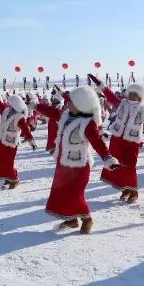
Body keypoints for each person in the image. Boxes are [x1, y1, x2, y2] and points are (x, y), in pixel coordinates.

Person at [45, 86, 120, 234]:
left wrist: (108, 157)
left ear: (81, 105)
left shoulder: (87, 123)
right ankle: (72, 219)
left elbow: (98, 142)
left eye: (72, 102)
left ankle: (87, 219)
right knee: (62, 192)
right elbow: (53, 112)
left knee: (75, 194)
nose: (68, 104)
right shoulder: (67, 115)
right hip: (63, 163)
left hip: (79, 165)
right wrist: (35, 106)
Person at [89, 74, 144, 203]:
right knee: (117, 166)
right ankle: (125, 189)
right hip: (117, 140)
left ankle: (133, 191)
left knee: (130, 167)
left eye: (135, 94)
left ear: (140, 97)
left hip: (132, 142)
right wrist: (98, 82)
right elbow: (108, 93)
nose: (132, 96)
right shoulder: (121, 103)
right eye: (131, 93)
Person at [0, 94, 36, 189]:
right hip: (2, 140)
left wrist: (31, 141)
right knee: (0, 160)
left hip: (11, 142)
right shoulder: (6, 111)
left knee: (9, 162)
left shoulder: (20, 117)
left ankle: (14, 179)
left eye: (11, 103)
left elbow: (25, 129)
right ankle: (7, 179)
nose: (9, 105)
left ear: (16, 104)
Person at [36, 86, 67, 153]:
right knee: (51, 135)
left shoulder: (59, 106)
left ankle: (56, 148)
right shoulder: (53, 105)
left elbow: (58, 114)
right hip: (51, 122)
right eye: (54, 99)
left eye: (56, 99)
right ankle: (53, 147)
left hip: (56, 123)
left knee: (56, 136)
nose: (54, 100)